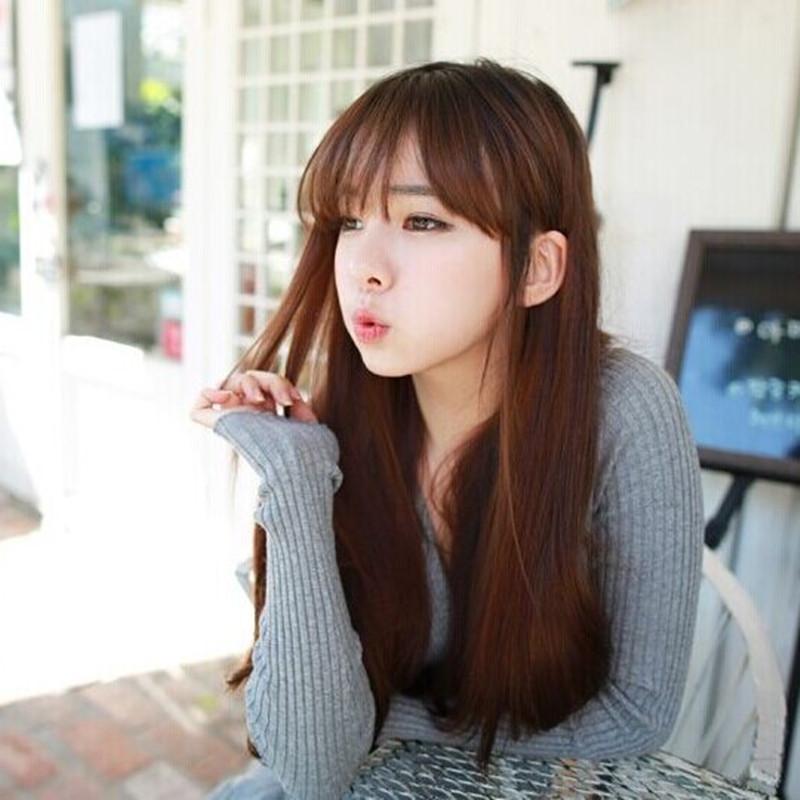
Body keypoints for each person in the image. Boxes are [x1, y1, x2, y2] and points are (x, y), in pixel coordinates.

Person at [190, 58, 705, 800]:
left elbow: (634, 716)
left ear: (536, 267)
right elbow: (306, 765)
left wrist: (369, 715)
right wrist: (296, 478)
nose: (364, 268)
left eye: (422, 221)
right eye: (349, 221)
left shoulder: (623, 410)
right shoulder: (345, 409)